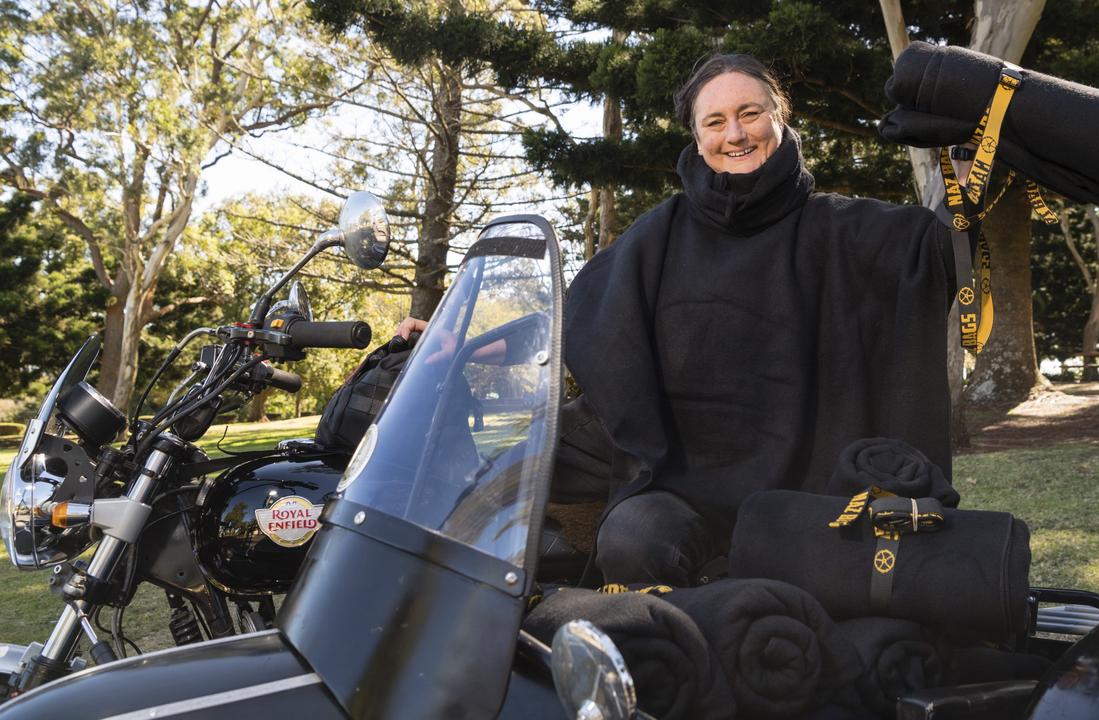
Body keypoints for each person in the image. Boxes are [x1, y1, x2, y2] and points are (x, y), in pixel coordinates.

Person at [398, 54, 971, 587]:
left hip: (805, 489)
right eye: (716, 121)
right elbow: (569, 320)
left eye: (750, 114)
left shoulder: (847, 230)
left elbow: (939, 251)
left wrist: (972, 160)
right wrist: (463, 345)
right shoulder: (658, 238)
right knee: (625, 536)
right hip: (681, 481)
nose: (736, 134)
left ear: (780, 118)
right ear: (697, 139)